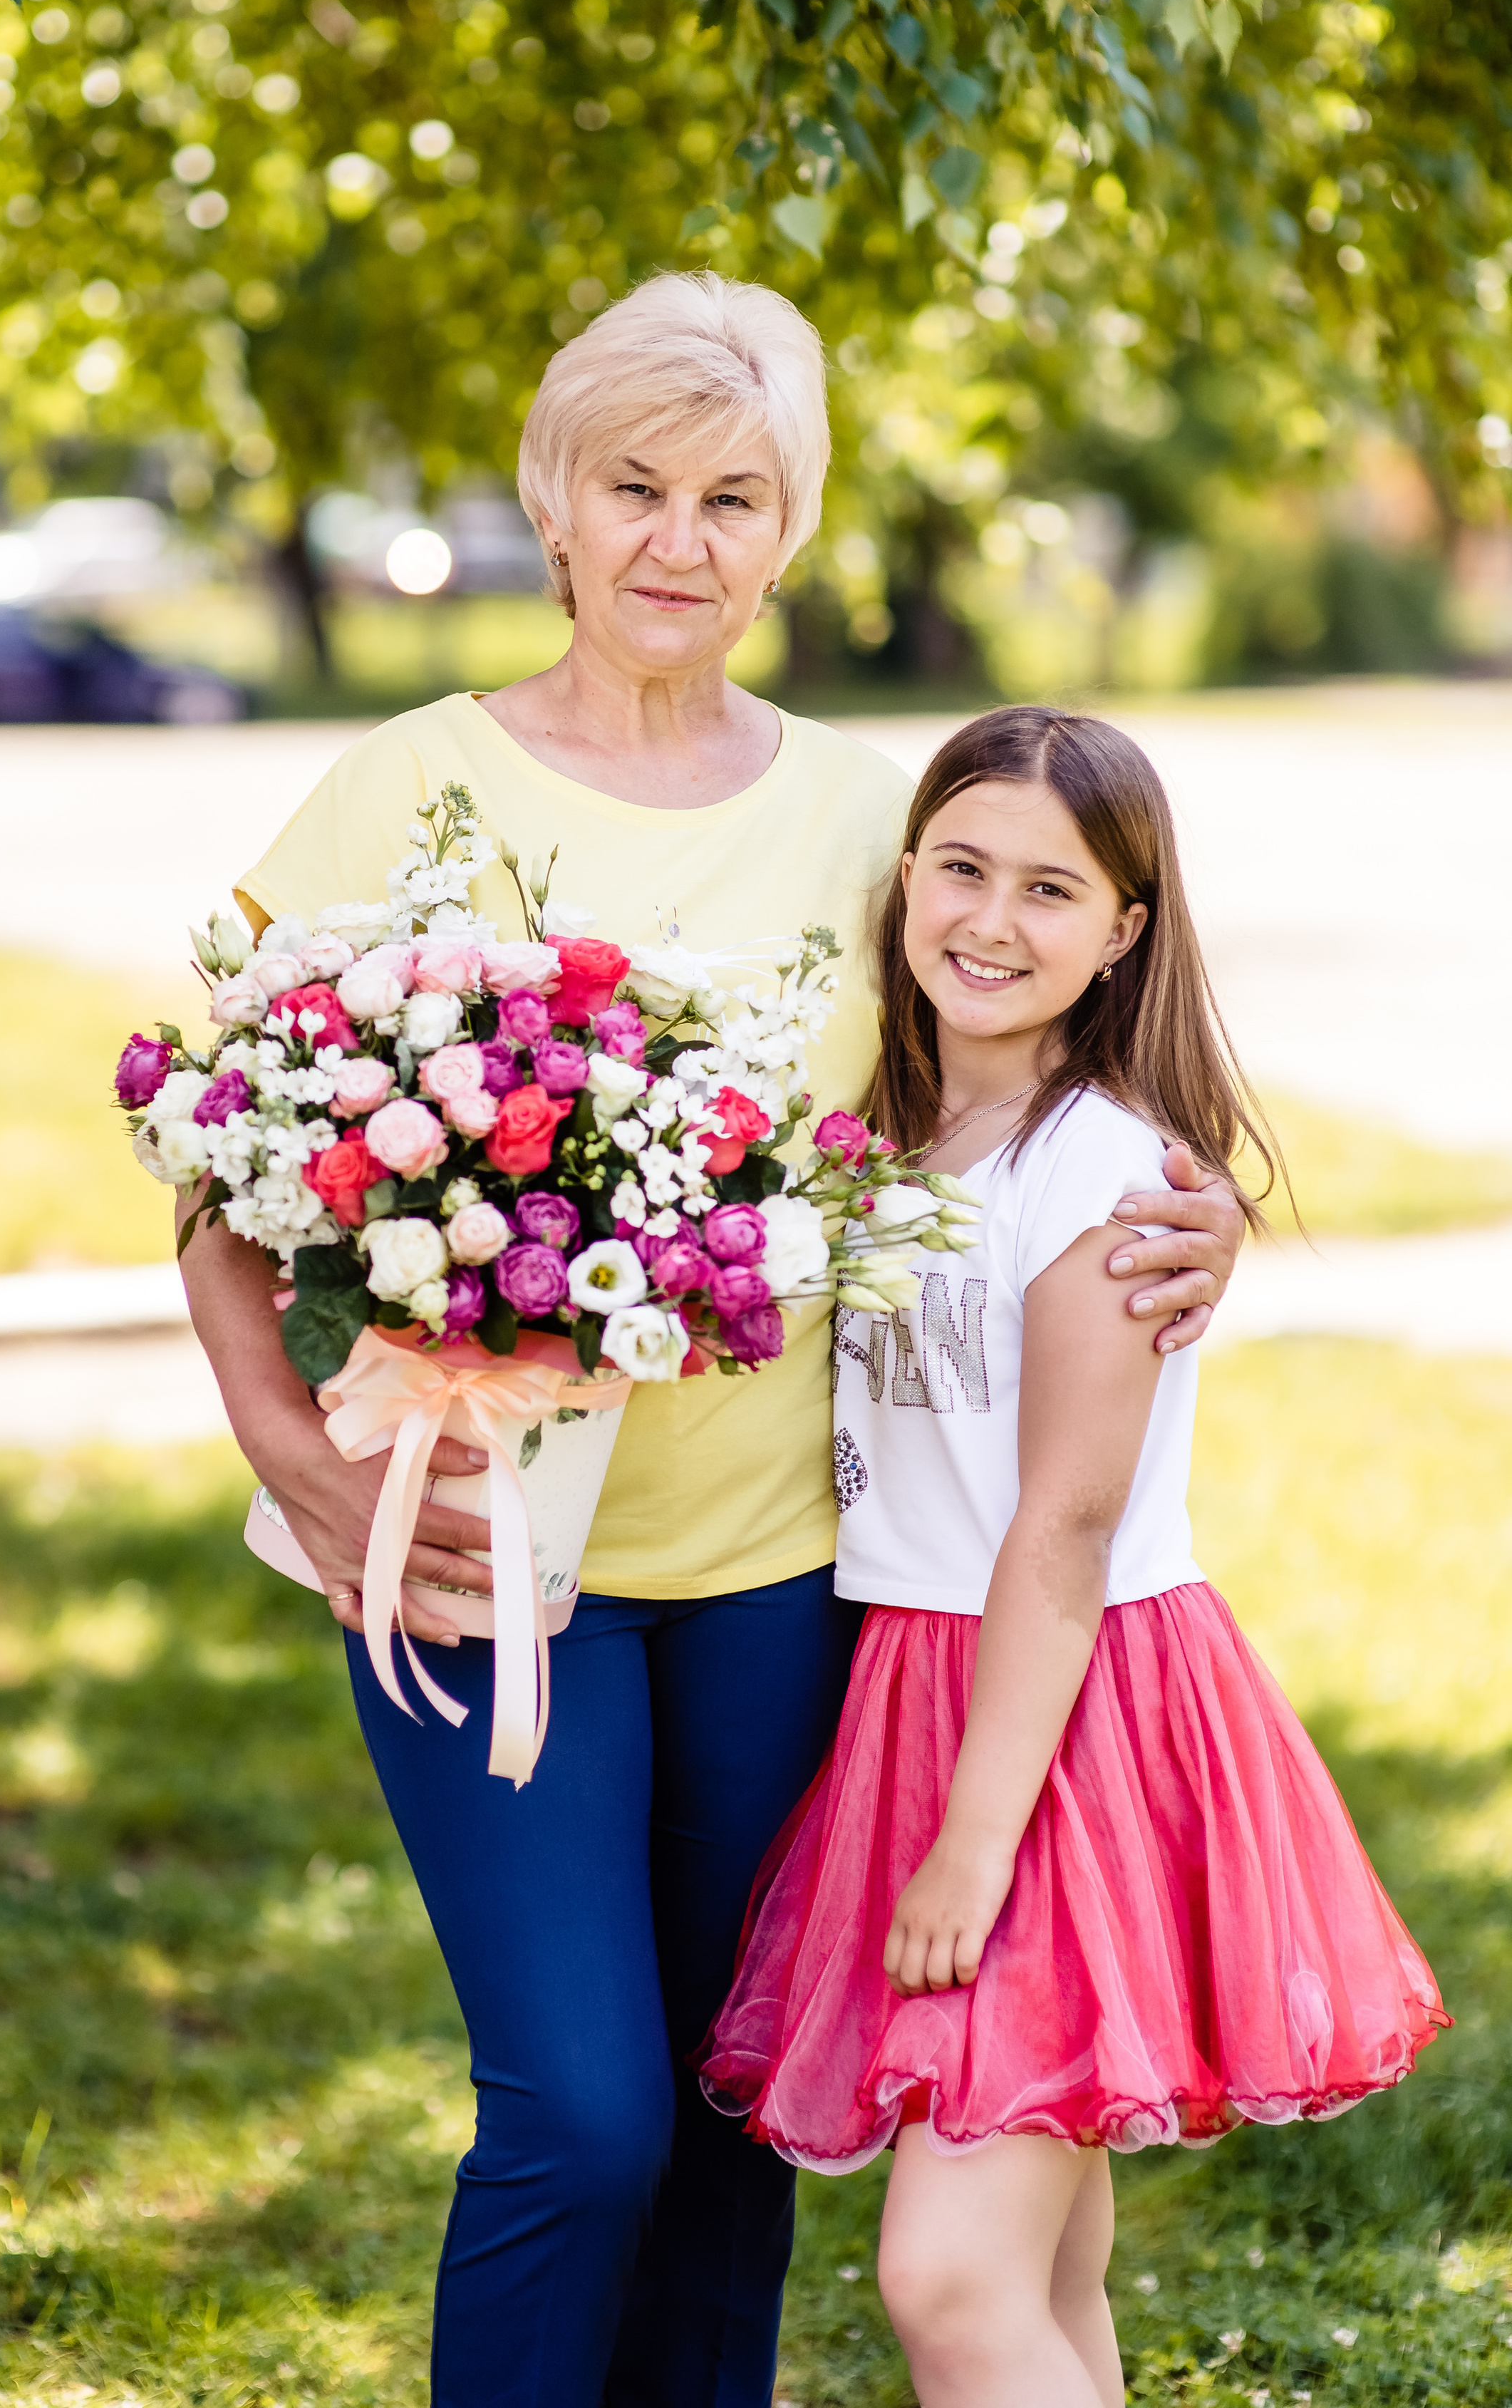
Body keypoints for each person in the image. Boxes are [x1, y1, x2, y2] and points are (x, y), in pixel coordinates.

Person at [177, 278, 1246, 2408]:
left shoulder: (870, 816)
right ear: (553, 508)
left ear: (790, 531)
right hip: (481, 1564)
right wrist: (293, 1454)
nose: (681, 538)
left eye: (733, 497)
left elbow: (1023, 1073)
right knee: (586, 2114)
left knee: (742, 2120)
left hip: (785, 1584)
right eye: (636, 486)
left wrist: (1198, 1212)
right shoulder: (410, 789)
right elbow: (215, 1163)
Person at [700, 706, 1447, 2408]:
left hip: (1059, 1713)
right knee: (1045, 2261)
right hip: (924, 1683)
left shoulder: (1100, 1170)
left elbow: (1062, 1522)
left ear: (1122, 934)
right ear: (900, 885)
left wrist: (973, 1843)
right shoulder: (895, 1142)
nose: (988, 918)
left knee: (947, 2276)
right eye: (958, 868)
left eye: (1050, 890)